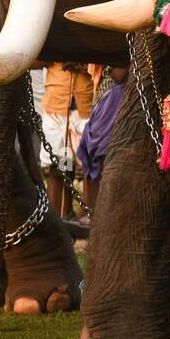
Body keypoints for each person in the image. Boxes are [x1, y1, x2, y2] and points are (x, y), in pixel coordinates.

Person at [40, 62, 98, 221]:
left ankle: (89, 217)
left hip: (85, 106)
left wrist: (80, 63)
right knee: (59, 166)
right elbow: (38, 60)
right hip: (55, 105)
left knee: (90, 166)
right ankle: (58, 216)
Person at [75, 65, 128, 222]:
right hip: (102, 97)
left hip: (114, 99)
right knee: (90, 152)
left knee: (101, 154)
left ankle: (100, 215)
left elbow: (119, 74)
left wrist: (107, 64)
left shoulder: (127, 48)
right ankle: (91, 211)